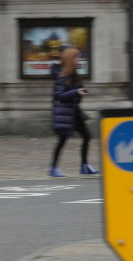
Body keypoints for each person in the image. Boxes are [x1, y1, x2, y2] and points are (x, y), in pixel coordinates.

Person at [50, 48, 99, 177]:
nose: (79, 60)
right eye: (77, 57)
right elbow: (59, 95)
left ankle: (84, 166)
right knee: (62, 140)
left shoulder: (74, 75)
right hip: (65, 114)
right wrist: (76, 92)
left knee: (87, 136)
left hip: (74, 112)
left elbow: (74, 94)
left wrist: (80, 92)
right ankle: (53, 168)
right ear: (70, 59)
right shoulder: (63, 76)